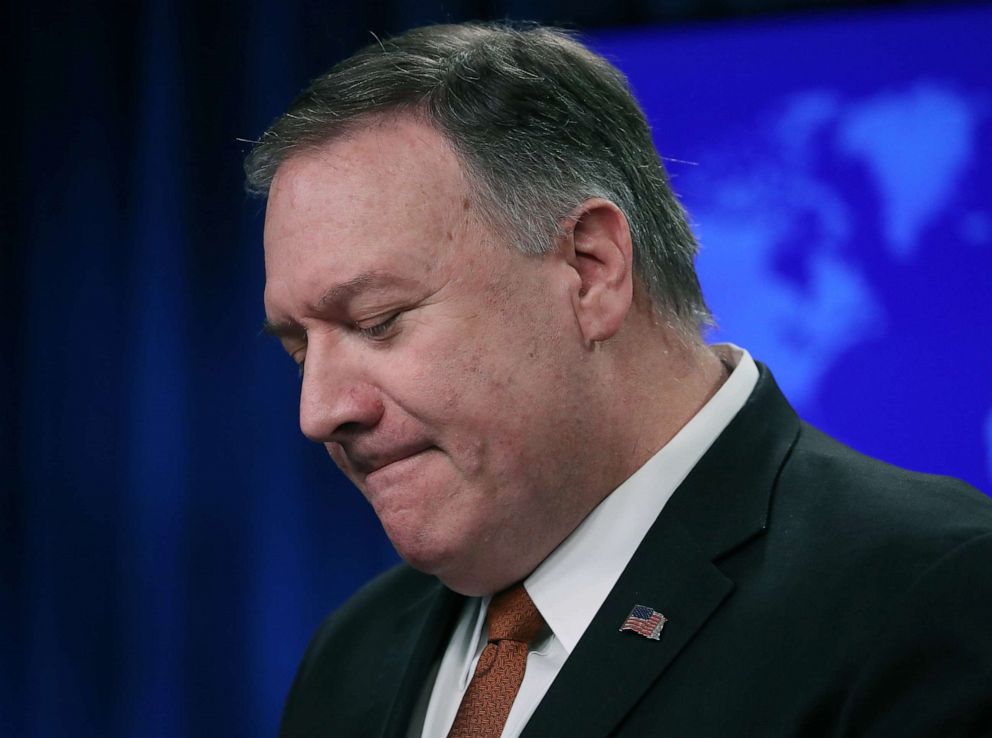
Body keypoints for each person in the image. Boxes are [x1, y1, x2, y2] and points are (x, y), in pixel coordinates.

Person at [245, 22, 992, 738]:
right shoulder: (351, 658)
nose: (319, 412)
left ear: (591, 271)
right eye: (298, 350)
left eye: (379, 320)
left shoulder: (933, 594)